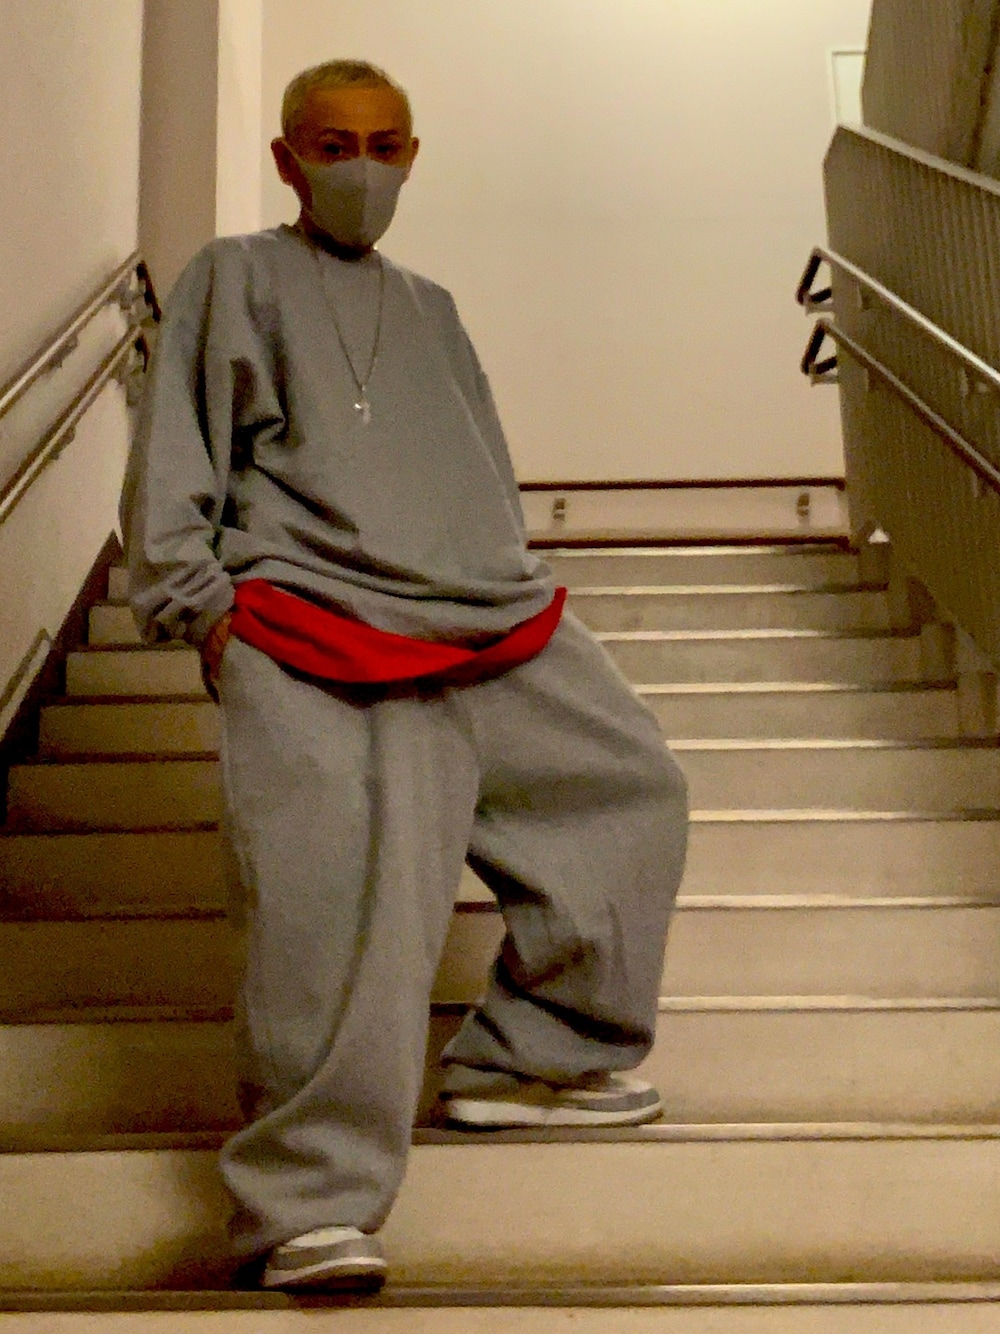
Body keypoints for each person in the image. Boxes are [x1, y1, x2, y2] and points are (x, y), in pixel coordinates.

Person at [121, 59, 688, 1294]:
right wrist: (203, 613)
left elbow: (477, 457)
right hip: (313, 621)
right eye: (333, 146)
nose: (361, 170)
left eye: (384, 146)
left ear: (412, 156)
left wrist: (506, 568)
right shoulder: (234, 275)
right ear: (288, 160)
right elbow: (174, 452)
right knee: (340, 903)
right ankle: (308, 1203)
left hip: (487, 615)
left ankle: (531, 1057)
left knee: (629, 785)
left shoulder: (433, 306)